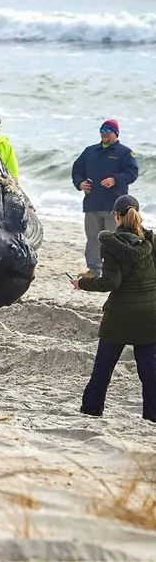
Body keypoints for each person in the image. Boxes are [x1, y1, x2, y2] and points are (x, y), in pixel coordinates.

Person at [72, 195, 156, 423]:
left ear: (116, 217)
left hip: (120, 315)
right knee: (150, 370)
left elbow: (111, 283)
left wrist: (82, 283)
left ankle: (91, 410)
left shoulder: (111, 244)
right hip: (150, 314)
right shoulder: (150, 239)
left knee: (104, 366)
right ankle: (152, 416)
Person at [72, 119, 140, 277]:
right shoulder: (90, 151)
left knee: (114, 240)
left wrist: (115, 179)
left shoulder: (125, 153)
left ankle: (115, 271)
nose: (104, 133)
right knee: (93, 239)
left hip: (114, 206)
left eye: (108, 131)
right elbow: (76, 170)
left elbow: (132, 173)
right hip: (92, 203)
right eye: (102, 130)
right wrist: (80, 183)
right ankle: (94, 270)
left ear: (116, 134)